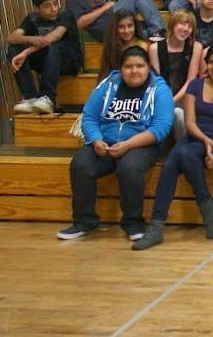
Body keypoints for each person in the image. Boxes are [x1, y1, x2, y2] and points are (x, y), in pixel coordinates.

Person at [132, 45, 213, 250]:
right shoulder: (195, 85)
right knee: (174, 160)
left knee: (178, 156)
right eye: (211, 62)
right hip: (196, 137)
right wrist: (204, 139)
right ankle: (199, 206)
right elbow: (190, 122)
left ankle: (159, 224)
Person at [57, 45, 172, 241]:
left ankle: (133, 222)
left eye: (140, 66)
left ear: (148, 67)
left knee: (130, 167)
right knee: (80, 164)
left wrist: (128, 145)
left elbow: (160, 128)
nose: (134, 71)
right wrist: (95, 140)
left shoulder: (160, 89)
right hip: (105, 142)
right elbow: (89, 116)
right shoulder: (108, 84)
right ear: (121, 68)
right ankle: (84, 222)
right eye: (128, 66)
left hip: (140, 144)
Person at [7, 0, 82, 115]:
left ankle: (48, 97)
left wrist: (25, 53)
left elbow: (54, 37)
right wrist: (32, 39)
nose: (53, 9)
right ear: (37, 8)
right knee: (14, 48)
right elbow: (11, 38)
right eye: (47, 6)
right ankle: (30, 96)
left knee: (54, 44)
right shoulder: (32, 18)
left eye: (55, 4)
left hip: (69, 60)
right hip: (47, 61)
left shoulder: (65, 15)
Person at [148, 9, 203, 138]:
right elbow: (158, 81)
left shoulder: (196, 47)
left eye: (190, 26)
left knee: (178, 112)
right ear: (172, 24)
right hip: (162, 96)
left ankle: (182, 146)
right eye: (182, 24)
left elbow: (191, 80)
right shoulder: (154, 48)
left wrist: (172, 101)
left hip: (186, 97)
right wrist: (165, 100)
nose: (185, 29)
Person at [97, 10, 147, 81]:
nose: (126, 30)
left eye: (130, 26)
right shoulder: (111, 46)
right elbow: (104, 73)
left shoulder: (142, 46)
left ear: (135, 26)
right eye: (121, 27)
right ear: (115, 29)